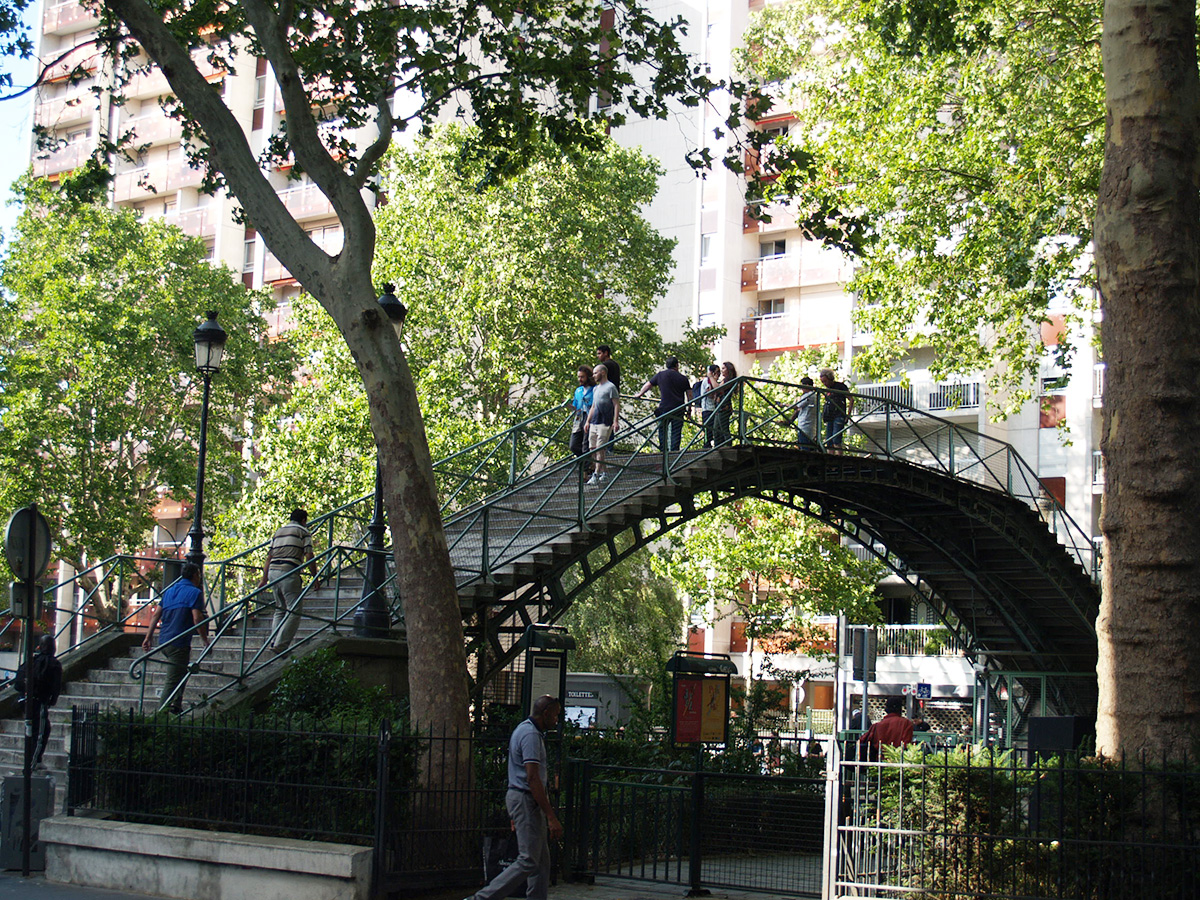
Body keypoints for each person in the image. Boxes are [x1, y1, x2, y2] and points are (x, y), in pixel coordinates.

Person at [470, 695, 564, 900]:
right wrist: (551, 816)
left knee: (541, 860)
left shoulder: (526, 730)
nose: (557, 720)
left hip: (524, 799)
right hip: (526, 799)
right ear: (546, 713)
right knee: (529, 860)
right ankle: (482, 898)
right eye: (556, 715)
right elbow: (532, 778)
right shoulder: (530, 735)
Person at [143, 562, 210, 714]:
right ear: (195, 575)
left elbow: (155, 615)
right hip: (178, 642)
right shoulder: (195, 592)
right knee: (173, 680)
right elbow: (197, 617)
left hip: (164, 640)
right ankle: (161, 715)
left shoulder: (169, 591)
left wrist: (148, 637)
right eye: (199, 575)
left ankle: (176, 706)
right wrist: (205, 639)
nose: (200, 578)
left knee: (180, 672)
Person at [258, 508, 319, 653]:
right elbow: (309, 555)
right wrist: (315, 577)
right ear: (304, 520)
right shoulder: (304, 532)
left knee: (280, 609)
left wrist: (264, 579)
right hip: (289, 571)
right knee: (294, 610)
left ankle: (274, 641)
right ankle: (281, 644)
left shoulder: (279, 532)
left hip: (273, 572)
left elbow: (269, 557)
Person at [15, 634, 63, 768]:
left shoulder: (31, 662)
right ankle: (33, 762)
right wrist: (51, 700)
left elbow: (17, 683)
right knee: (41, 732)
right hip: (38, 701)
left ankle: (32, 760)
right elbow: (56, 686)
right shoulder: (53, 664)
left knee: (34, 730)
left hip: (24, 700)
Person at [633, 356, 692, 452]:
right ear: (677, 365)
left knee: (662, 429)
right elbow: (689, 395)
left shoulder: (660, 375)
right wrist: (689, 409)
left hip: (664, 408)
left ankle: (663, 450)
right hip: (679, 408)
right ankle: (674, 452)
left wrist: (640, 394)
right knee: (676, 432)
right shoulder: (683, 378)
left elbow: (648, 385)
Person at [584, 363, 620, 485]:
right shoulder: (595, 388)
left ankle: (596, 474)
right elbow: (593, 406)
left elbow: (616, 404)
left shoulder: (611, 387)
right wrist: (588, 421)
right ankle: (604, 473)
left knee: (600, 449)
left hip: (605, 422)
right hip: (595, 421)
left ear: (603, 372)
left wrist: (615, 421)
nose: (593, 376)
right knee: (593, 449)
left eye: (595, 373)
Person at [819, 368, 853, 451]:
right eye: (822, 382)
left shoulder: (840, 386)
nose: (824, 384)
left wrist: (848, 415)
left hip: (839, 415)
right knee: (829, 440)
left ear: (830, 378)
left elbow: (851, 399)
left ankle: (839, 457)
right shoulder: (827, 390)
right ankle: (830, 458)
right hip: (829, 416)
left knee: (836, 439)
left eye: (825, 381)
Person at [782, 376, 820, 449]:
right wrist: (790, 421)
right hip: (805, 425)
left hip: (806, 426)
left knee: (805, 447)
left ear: (807, 386)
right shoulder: (812, 396)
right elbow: (798, 409)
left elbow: (797, 406)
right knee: (804, 445)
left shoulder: (809, 395)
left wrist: (784, 405)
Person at [568, 365, 595, 458]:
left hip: (590, 417)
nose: (580, 379)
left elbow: (595, 405)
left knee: (585, 444)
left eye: (582, 377)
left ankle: (587, 467)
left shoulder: (595, 389)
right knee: (573, 445)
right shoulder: (578, 390)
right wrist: (568, 405)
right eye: (579, 377)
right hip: (579, 418)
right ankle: (586, 462)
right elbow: (575, 406)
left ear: (588, 376)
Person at [713, 361, 738, 445]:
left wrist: (711, 377)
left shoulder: (729, 380)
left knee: (723, 429)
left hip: (723, 408)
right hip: (720, 407)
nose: (722, 370)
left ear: (728, 369)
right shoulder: (725, 380)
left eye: (723, 368)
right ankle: (719, 447)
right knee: (717, 430)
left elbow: (718, 389)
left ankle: (727, 446)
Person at [698, 364, 722, 447]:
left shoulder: (714, 382)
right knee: (708, 431)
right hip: (707, 409)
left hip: (714, 409)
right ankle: (707, 447)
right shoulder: (707, 381)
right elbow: (710, 394)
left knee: (716, 430)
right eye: (717, 372)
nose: (719, 375)